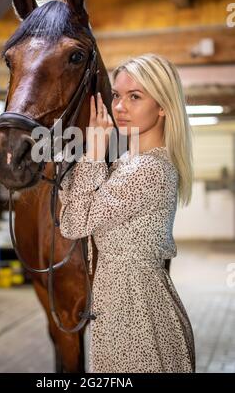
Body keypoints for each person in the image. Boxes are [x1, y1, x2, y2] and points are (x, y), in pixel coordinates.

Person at [58, 53, 195, 373]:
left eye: (135, 97)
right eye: (117, 95)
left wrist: (92, 151)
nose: (119, 107)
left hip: (138, 319)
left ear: (163, 106)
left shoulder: (149, 170)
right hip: (119, 310)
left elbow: (73, 223)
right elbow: (75, 202)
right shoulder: (125, 164)